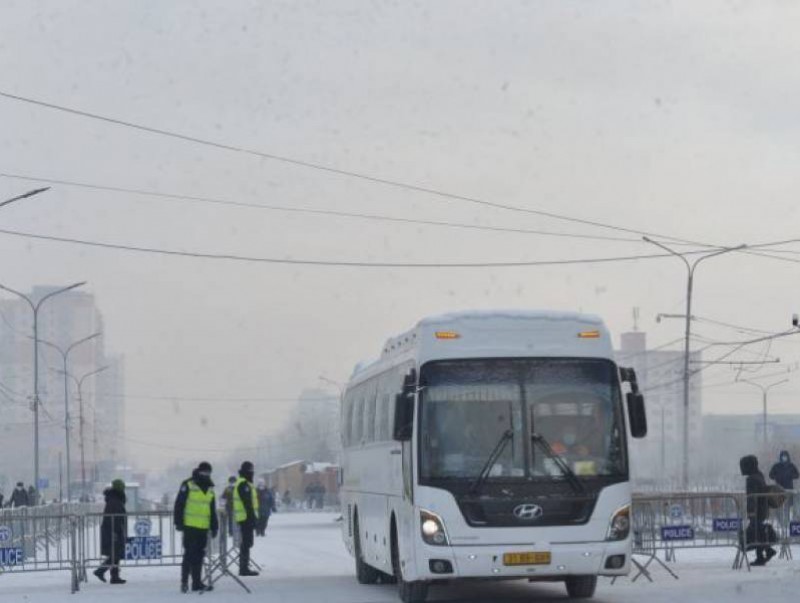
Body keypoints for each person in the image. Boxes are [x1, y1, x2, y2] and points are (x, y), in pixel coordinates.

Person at [174, 462, 218, 593]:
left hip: (203, 527)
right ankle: (184, 582)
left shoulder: (210, 488)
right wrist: (178, 522)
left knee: (199, 555)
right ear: (199, 471)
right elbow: (179, 504)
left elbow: (212, 508)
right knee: (189, 554)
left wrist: (214, 526)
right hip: (189, 526)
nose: (206, 475)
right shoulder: (188, 484)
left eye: (208, 473)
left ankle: (197, 583)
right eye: (204, 472)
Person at [740, 455, 777, 566]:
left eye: (743, 466)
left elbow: (752, 497)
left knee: (756, 533)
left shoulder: (751, 479)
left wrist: (751, 512)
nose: (741, 469)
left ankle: (766, 551)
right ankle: (763, 555)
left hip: (756, 510)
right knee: (758, 533)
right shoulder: (759, 475)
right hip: (762, 509)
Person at [93, 479, 128, 584]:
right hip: (113, 530)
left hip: (114, 530)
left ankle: (114, 576)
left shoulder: (114, 498)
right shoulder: (114, 500)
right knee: (115, 554)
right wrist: (115, 532)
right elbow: (113, 518)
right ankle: (101, 571)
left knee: (116, 553)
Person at [233, 461, 259, 576]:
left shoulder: (244, 483)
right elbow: (247, 503)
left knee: (247, 543)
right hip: (246, 517)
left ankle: (244, 566)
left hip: (245, 517)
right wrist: (252, 518)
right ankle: (243, 568)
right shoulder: (243, 484)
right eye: (251, 470)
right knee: (246, 543)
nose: (252, 472)